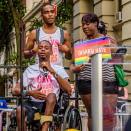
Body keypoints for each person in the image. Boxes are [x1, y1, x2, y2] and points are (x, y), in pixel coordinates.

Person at [70, 13, 118, 131]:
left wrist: (108, 44)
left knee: (108, 114)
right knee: (92, 113)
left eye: (87, 24)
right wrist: (74, 69)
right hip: (86, 81)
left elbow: (117, 52)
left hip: (107, 80)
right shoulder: (79, 44)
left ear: (95, 23)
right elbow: (72, 64)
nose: (84, 27)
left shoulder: (107, 38)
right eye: (83, 25)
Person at [12, 40, 72, 131]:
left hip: (52, 105)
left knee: (51, 95)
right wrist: (29, 92)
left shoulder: (58, 69)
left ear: (51, 52)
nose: (43, 50)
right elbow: (15, 90)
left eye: (46, 48)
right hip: (33, 105)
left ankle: (44, 129)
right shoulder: (30, 70)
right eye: (40, 48)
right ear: (37, 52)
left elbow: (68, 89)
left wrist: (52, 71)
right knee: (19, 110)